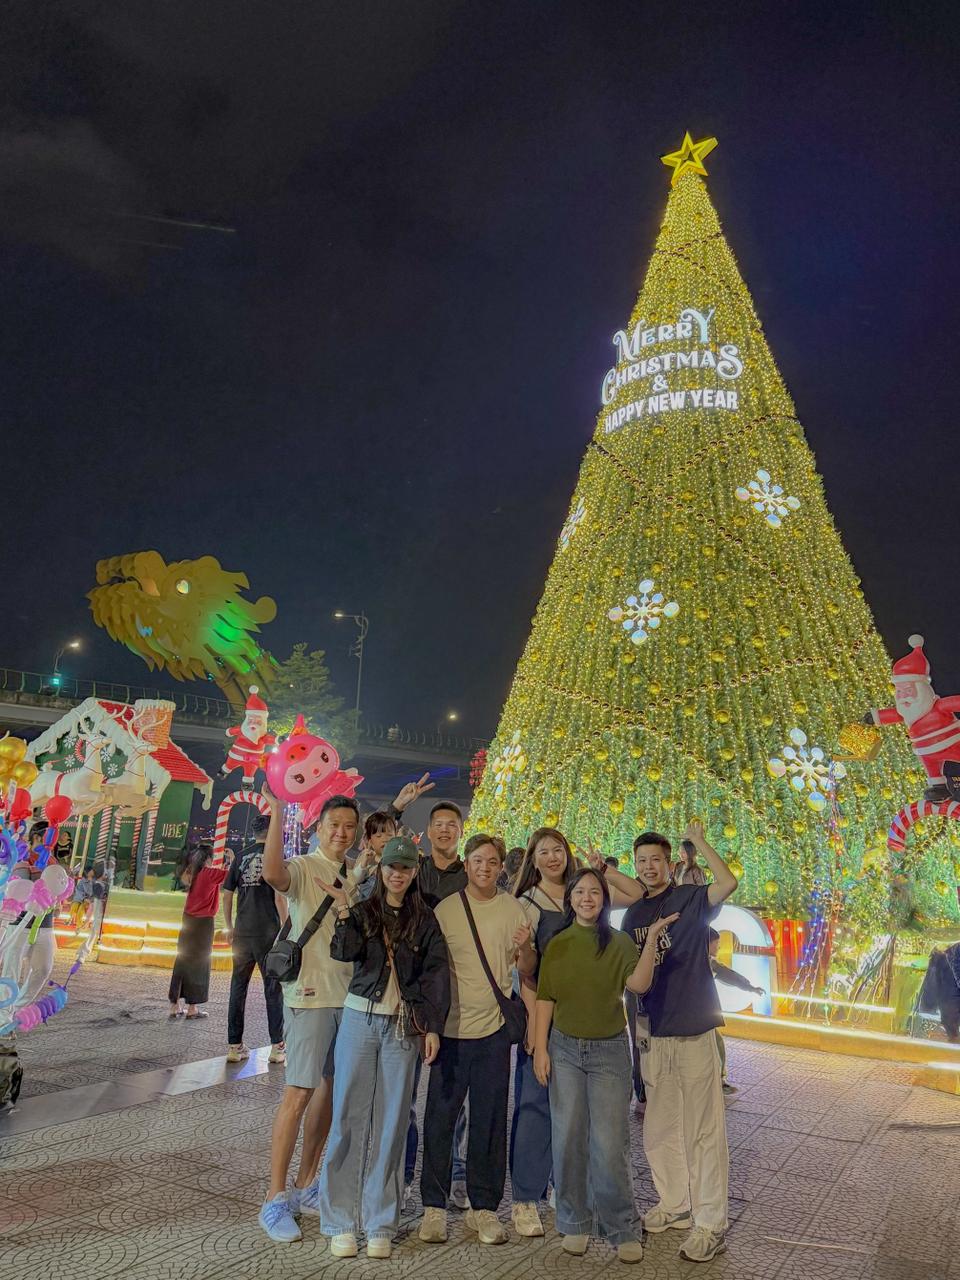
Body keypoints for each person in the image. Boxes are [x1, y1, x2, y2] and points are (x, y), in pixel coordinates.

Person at [589, 822, 738, 1264]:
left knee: (703, 1129)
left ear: (670, 863)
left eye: (656, 860)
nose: (649, 867)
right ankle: (675, 1203)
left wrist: (702, 841)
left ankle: (710, 1222)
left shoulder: (692, 900)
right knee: (659, 1128)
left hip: (693, 1026)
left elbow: (727, 882)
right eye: (641, 862)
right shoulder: (633, 916)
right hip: (652, 1032)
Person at [314, 836, 450, 1259]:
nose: (397, 874)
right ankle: (340, 1221)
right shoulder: (365, 908)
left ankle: (380, 1223)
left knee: (393, 1124)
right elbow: (345, 952)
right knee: (348, 1120)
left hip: (402, 1029)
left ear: (414, 873)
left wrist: (432, 1027)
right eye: (392, 867)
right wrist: (342, 908)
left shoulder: (425, 918)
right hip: (359, 1018)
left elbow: (435, 974)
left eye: (406, 868)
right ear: (382, 869)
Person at [534, 867, 674, 1263]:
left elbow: (639, 985)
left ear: (604, 899)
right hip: (564, 1049)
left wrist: (650, 944)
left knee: (611, 1143)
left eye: (595, 892)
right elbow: (545, 999)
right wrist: (540, 1049)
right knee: (568, 1137)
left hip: (609, 1052)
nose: (587, 898)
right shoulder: (558, 944)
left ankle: (622, 1226)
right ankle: (575, 1221)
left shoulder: (619, 943)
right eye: (580, 892)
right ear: (571, 899)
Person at [418, 834, 536, 1247]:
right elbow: (432, 972)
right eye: (477, 861)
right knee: (440, 1118)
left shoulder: (513, 909)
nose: (485, 868)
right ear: (466, 865)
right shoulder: (446, 910)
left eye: (492, 862)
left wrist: (527, 950)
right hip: (450, 1031)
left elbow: (527, 966)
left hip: (492, 1032)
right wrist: (430, 1025)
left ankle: (483, 1207)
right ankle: (433, 1206)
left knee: (489, 1120)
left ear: (501, 867)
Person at [258, 787, 361, 1243]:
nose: (341, 833)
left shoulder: (355, 876)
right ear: (319, 828)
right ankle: (275, 1197)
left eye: (348, 827)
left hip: (349, 1000)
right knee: (298, 1094)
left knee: (327, 1095)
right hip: (309, 996)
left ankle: (305, 1184)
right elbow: (272, 873)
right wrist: (278, 812)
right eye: (333, 825)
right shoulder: (304, 867)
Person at [508, 826, 578, 1237]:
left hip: (581, 1018)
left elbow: (634, 893)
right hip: (544, 1017)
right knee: (534, 1105)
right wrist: (536, 1029)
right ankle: (525, 1198)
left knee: (572, 1109)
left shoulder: (584, 893)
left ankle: (563, 1185)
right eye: (544, 852)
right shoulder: (526, 903)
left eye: (559, 850)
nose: (553, 858)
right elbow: (527, 972)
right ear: (533, 860)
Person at [403, 800, 471, 1208]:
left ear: (461, 832)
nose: (445, 831)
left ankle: (457, 1171)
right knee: (406, 1091)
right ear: (428, 832)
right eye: (439, 825)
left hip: (459, 995)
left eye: (452, 825)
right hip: (415, 993)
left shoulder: (471, 875)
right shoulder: (415, 872)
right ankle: (408, 1172)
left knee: (453, 1094)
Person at [223, 814, 286, 1065]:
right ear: (271, 833)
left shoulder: (240, 857)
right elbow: (280, 898)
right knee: (273, 989)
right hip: (268, 933)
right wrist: (285, 928)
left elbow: (227, 895)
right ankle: (277, 1046)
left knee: (238, 987)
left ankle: (234, 1045)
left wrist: (229, 926)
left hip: (242, 932)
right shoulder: (274, 857)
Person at [168, 844, 231, 1020]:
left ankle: (174, 1004)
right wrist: (231, 860)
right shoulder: (209, 873)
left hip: (187, 919)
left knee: (182, 959)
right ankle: (192, 1008)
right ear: (209, 858)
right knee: (200, 962)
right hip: (203, 923)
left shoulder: (191, 873)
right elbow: (231, 876)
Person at [707, 928, 763, 1093]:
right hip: (695, 1014)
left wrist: (749, 987)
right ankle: (718, 1081)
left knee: (716, 1043)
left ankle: (718, 1080)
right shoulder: (704, 962)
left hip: (698, 1014)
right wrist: (750, 987)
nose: (718, 948)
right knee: (716, 1044)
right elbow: (726, 974)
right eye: (716, 944)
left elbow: (727, 974)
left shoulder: (706, 961)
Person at [353, 810, 398, 901]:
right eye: (378, 836)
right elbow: (355, 880)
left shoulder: (399, 859)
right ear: (370, 841)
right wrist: (363, 864)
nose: (385, 839)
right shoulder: (367, 857)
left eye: (389, 835)